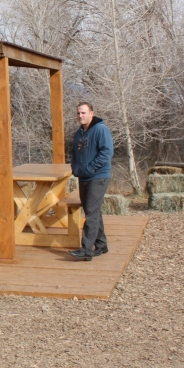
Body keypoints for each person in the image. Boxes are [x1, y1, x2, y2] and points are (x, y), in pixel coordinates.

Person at [68, 102, 114, 262]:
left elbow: (107, 152)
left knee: (92, 213)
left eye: (83, 113)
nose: (80, 116)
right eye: (78, 113)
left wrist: (90, 169)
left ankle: (86, 249)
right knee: (91, 210)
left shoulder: (101, 130)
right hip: (83, 176)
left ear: (91, 113)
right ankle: (101, 244)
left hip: (99, 176)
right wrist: (75, 168)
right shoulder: (78, 133)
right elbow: (74, 153)